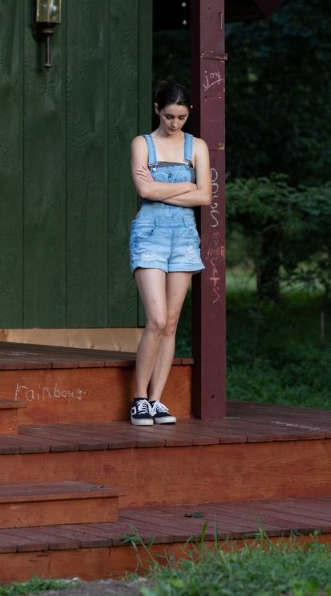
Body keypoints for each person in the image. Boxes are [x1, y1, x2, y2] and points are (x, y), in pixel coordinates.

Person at [128, 81, 211, 425]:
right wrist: (187, 186)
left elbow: (205, 197)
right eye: (168, 116)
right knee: (157, 320)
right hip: (149, 234)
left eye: (181, 116)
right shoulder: (142, 144)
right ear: (156, 109)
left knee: (173, 323)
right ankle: (137, 399)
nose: (175, 123)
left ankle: (156, 399)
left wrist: (164, 190)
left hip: (185, 238)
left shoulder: (198, 146)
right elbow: (144, 189)